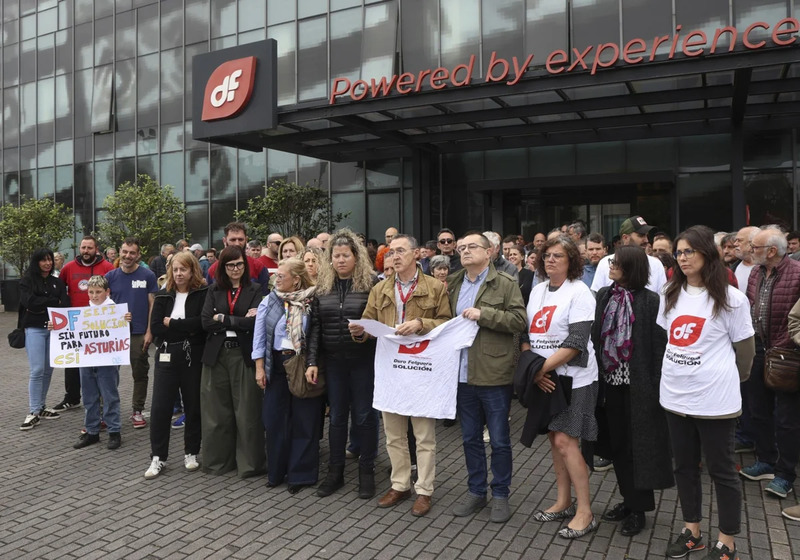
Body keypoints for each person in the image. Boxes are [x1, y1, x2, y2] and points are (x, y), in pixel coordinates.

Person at [659, 226, 755, 560]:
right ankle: (692, 532)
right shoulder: (670, 291)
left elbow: (745, 353)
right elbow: (667, 339)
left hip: (715, 402)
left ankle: (727, 541)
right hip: (674, 397)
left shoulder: (731, 299)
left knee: (722, 471)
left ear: (707, 254)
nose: (682, 258)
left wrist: (726, 381)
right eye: (679, 252)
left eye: (689, 251)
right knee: (684, 467)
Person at [351, 234, 451, 517]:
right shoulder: (380, 288)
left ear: (416, 254)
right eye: (391, 252)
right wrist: (361, 331)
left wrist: (421, 323)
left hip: (421, 369)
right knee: (393, 434)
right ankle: (400, 484)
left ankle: (424, 490)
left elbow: (446, 323)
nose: (394, 256)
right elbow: (370, 322)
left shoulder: (434, 287)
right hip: (391, 370)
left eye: (400, 251)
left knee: (424, 435)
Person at [591, 246, 672, 537]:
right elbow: (596, 337)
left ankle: (639, 509)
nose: (610, 266)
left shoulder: (650, 301)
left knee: (641, 450)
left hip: (640, 389)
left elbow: (659, 347)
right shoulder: (605, 295)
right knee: (619, 447)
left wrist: (655, 388)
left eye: (616, 263)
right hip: (610, 384)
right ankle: (628, 500)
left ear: (631, 268)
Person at [524, 235, 599, 539]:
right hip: (547, 377)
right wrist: (534, 368)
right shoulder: (538, 289)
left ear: (572, 261)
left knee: (568, 444)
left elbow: (576, 343)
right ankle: (563, 501)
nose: (551, 260)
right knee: (555, 441)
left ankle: (586, 512)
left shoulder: (580, 292)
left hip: (575, 378)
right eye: (547, 256)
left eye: (558, 256)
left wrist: (537, 370)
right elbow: (526, 331)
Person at [448, 233, 527, 523]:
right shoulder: (455, 283)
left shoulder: (505, 283)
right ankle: (476, 492)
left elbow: (519, 321)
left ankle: (501, 494)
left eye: (472, 247)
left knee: (499, 440)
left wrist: (484, 314)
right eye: (461, 248)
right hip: (462, 372)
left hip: (494, 373)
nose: (465, 251)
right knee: (469, 438)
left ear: (489, 251)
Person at [306, 229, 379, 498]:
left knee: (364, 417)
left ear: (356, 257)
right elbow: (314, 328)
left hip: (363, 362)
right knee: (336, 418)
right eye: (335, 256)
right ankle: (335, 472)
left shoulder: (370, 285)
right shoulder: (322, 288)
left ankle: (367, 472)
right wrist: (312, 360)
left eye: (345, 255)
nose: (340, 260)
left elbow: (379, 324)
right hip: (334, 362)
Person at [739, 226, 800, 499]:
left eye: (756, 248)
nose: (751, 252)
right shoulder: (755, 272)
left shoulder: (797, 274)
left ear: (772, 251)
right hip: (759, 348)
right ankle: (765, 460)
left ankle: (785, 474)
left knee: (786, 418)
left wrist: (789, 343)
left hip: (787, 353)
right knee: (757, 409)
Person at [253, 257, 320, 493]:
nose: (276, 279)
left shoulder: (312, 301)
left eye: (281, 276)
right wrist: (260, 368)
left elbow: (315, 334)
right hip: (276, 364)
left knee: (304, 420)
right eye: (276, 275)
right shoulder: (269, 301)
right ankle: (276, 471)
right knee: (274, 420)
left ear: (296, 280)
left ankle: (300, 475)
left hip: (301, 363)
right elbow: (259, 337)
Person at [200, 246, 266, 478]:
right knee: (216, 411)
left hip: (243, 355)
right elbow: (206, 321)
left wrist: (224, 318)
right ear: (222, 267)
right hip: (216, 355)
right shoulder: (213, 290)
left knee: (247, 410)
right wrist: (238, 319)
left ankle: (250, 464)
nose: (235, 269)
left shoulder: (255, 289)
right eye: (230, 265)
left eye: (239, 264)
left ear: (245, 265)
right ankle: (218, 462)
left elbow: (255, 323)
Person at [144, 252, 208, 479]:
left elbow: (202, 323)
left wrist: (174, 323)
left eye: (184, 269)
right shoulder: (163, 296)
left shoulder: (202, 293)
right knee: (160, 408)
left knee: (193, 406)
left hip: (192, 356)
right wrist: (184, 326)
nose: (179, 274)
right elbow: (157, 328)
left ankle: (191, 452)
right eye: (175, 269)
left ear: (192, 271)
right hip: (166, 355)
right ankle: (158, 457)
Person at [55, 235, 115, 412]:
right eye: (83, 248)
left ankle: (101, 401)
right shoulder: (69, 268)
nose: (86, 251)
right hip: (76, 324)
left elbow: (114, 291)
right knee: (73, 362)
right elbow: (59, 289)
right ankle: (72, 397)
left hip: (99, 325)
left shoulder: (107, 267)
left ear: (96, 249)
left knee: (97, 364)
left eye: (89, 248)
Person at [106, 237, 158, 429]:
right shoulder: (110, 277)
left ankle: (137, 410)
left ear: (138, 255)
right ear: (120, 252)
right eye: (125, 252)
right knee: (109, 374)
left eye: (132, 253)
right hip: (114, 334)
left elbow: (153, 304)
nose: (128, 256)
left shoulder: (148, 276)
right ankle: (108, 412)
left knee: (140, 372)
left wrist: (149, 331)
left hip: (137, 332)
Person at [72, 275, 129, 450]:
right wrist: (55, 327)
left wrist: (126, 320)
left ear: (107, 292)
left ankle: (114, 431)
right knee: (89, 396)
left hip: (106, 360)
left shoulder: (115, 311)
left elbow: (122, 332)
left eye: (98, 292)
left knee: (109, 395)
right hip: (88, 359)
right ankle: (92, 431)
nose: (94, 296)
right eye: (91, 292)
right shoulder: (84, 311)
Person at [19, 248, 70, 430]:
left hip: (54, 331)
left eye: (50, 260)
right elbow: (29, 302)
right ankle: (33, 412)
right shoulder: (27, 281)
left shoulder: (57, 282)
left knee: (49, 369)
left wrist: (46, 301)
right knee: (37, 369)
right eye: (43, 260)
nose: (48, 263)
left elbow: (64, 303)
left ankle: (41, 406)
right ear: (36, 262)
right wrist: (52, 302)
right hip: (35, 329)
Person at [591, 216, 667, 294]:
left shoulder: (656, 265)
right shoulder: (605, 263)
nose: (646, 240)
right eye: (641, 235)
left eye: (646, 235)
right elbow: (598, 298)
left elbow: (662, 301)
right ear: (625, 238)